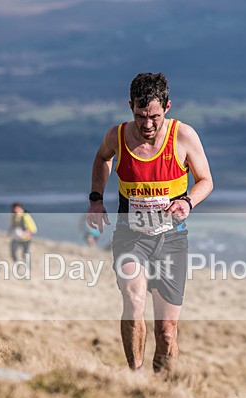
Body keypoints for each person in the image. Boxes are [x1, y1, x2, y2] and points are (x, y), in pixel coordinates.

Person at [87, 72, 214, 377]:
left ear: (167, 107)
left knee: (167, 330)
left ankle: (163, 387)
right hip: (131, 237)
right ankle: (136, 378)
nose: (147, 124)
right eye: (140, 115)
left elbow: (206, 181)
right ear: (130, 106)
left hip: (171, 240)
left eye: (154, 116)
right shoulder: (117, 136)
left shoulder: (183, 137)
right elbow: (102, 158)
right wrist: (96, 199)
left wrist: (188, 202)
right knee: (134, 301)